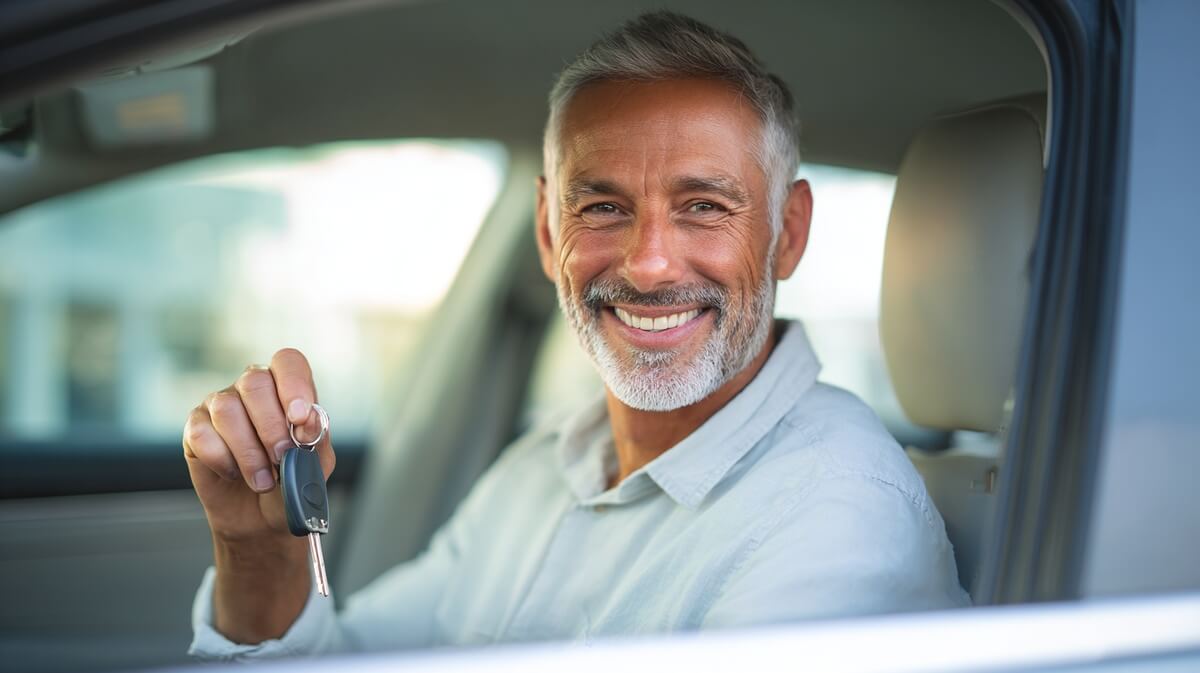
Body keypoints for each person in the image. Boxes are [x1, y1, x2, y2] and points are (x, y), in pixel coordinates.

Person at [185, 10, 968, 659]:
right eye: (602, 207)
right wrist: (257, 552)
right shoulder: (539, 468)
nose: (651, 264)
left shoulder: (838, 516)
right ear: (545, 225)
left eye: (703, 206)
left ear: (788, 234)